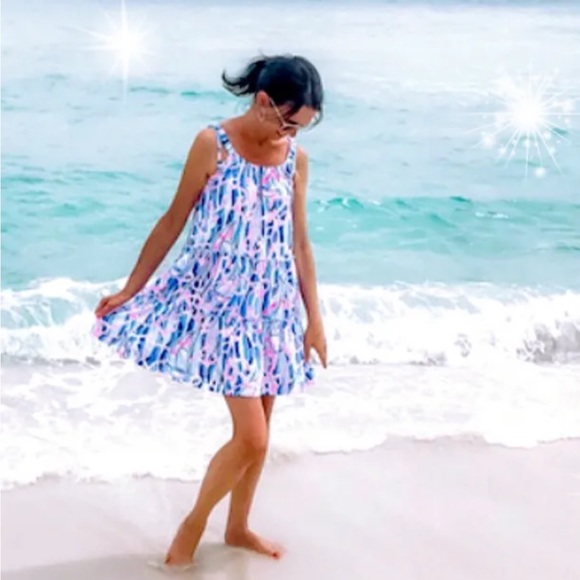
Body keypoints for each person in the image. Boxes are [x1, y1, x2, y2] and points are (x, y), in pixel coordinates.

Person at [93, 54, 328, 566]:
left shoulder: (295, 159)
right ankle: (192, 526)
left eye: (301, 127)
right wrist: (131, 289)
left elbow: (300, 245)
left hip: (273, 308)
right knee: (252, 437)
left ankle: (238, 527)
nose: (290, 133)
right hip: (222, 309)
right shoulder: (212, 145)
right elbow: (173, 220)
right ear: (263, 102)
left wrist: (314, 320)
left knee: (262, 433)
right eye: (288, 122)